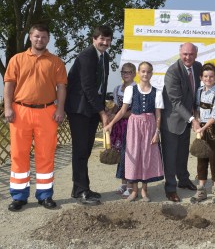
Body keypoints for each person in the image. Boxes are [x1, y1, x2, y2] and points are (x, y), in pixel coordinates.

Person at [4, 23, 67, 211]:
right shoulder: (17, 59)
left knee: (46, 154)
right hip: (20, 111)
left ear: (48, 39)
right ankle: (19, 196)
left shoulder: (56, 62)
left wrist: (60, 109)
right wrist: (8, 107)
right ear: (30, 37)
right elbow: (9, 84)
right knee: (18, 154)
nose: (40, 40)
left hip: (48, 112)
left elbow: (61, 87)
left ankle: (45, 195)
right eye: (37, 36)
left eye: (44, 37)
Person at [65, 25, 113, 205]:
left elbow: (102, 85)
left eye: (108, 40)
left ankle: (82, 187)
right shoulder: (86, 56)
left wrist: (103, 108)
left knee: (86, 149)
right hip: (79, 109)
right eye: (101, 39)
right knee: (80, 150)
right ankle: (80, 191)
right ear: (94, 39)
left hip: (92, 107)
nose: (105, 43)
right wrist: (102, 111)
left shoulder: (105, 57)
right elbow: (87, 86)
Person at [104, 62, 164, 202]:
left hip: (149, 126)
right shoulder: (131, 90)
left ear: (151, 73)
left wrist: (157, 132)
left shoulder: (157, 92)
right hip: (134, 126)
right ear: (138, 72)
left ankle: (144, 190)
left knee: (146, 157)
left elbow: (158, 115)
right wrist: (111, 124)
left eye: (148, 72)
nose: (145, 74)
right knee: (134, 156)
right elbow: (123, 110)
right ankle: (134, 190)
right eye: (143, 71)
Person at [161, 42, 202, 202]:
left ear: (196, 55)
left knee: (183, 153)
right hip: (172, 121)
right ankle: (170, 188)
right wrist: (193, 120)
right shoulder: (173, 72)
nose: (188, 57)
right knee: (170, 156)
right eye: (185, 54)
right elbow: (176, 102)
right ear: (180, 53)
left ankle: (183, 180)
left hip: (186, 120)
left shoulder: (198, 67)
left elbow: (197, 92)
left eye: (191, 54)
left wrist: (197, 113)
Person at [190, 63, 215, 204]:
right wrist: (196, 121)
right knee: (201, 158)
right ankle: (201, 190)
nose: (208, 79)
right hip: (201, 127)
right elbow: (196, 108)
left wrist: (202, 128)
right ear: (201, 77)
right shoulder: (198, 91)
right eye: (205, 76)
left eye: (211, 76)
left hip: (214, 128)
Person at [110, 63, 136, 198]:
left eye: (129, 72)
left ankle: (131, 185)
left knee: (130, 154)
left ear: (134, 74)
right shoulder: (117, 89)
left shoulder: (136, 89)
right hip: (119, 124)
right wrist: (110, 114)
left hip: (131, 124)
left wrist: (116, 116)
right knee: (121, 154)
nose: (126, 74)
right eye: (124, 72)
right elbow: (116, 106)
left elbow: (134, 111)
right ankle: (124, 183)